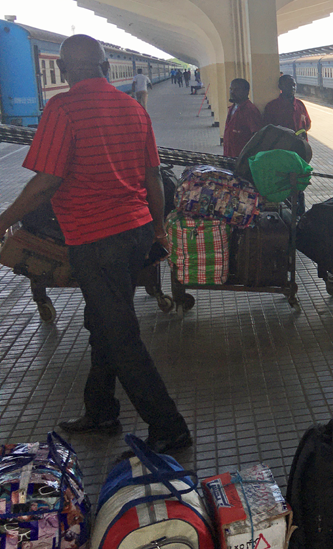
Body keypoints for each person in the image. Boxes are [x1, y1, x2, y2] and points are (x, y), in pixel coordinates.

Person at [0, 35, 192, 454]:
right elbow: (153, 177)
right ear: (106, 67)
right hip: (135, 231)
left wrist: (4, 220)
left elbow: (47, 181)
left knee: (120, 333)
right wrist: (158, 230)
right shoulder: (133, 108)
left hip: (97, 238)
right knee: (104, 322)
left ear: (66, 71)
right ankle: (101, 410)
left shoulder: (62, 108)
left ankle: (170, 427)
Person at [223, 78, 263, 158]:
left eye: (236, 90)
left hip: (242, 159)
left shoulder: (250, 111)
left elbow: (257, 137)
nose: (232, 92)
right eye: (231, 89)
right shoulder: (232, 108)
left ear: (246, 92)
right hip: (229, 156)